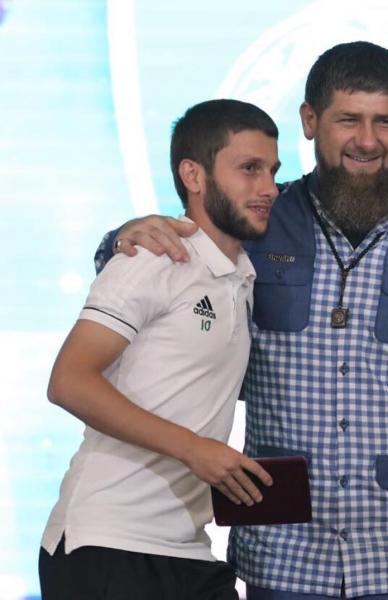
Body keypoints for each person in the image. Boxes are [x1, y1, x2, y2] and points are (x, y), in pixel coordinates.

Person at [96, 42, 388, 600]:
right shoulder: (255, 221)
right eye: (348, 119)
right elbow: (162, 267)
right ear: (309, 121)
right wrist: (125, 236)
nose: (367, 140)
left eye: (385, 121)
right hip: (285, 559)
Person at [39, 99, 281, 600]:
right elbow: (68, 381)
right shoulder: (153, 257)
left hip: (189, 550)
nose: (269, 189)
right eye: (249, 169)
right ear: (193, 175)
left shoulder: (243, 278)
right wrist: (194, 449)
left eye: (273, 171)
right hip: (106, 544)